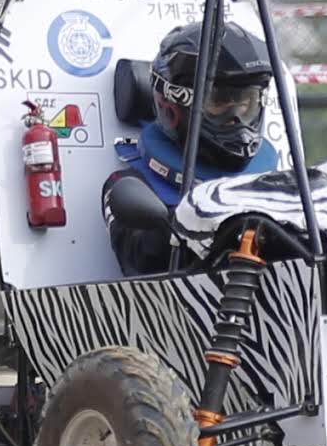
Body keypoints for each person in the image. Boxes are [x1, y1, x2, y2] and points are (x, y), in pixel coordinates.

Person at [101, 18, 283, 273]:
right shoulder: (130, 186)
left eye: (245, 103)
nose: (236, 118)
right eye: (218, 103)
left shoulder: (279, 184)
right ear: (172, 105)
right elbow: (143, 263)